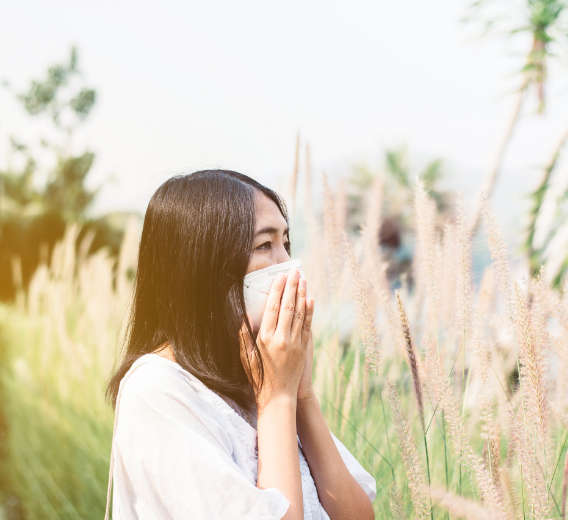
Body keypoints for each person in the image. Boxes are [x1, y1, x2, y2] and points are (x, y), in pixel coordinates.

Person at [103, 170, 376, 519]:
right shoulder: (157, 392)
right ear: (205, 265)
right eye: (265, 245)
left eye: (286, 244)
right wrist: (277, 399)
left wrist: (301, 394)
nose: (287, 265)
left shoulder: (253, 374)